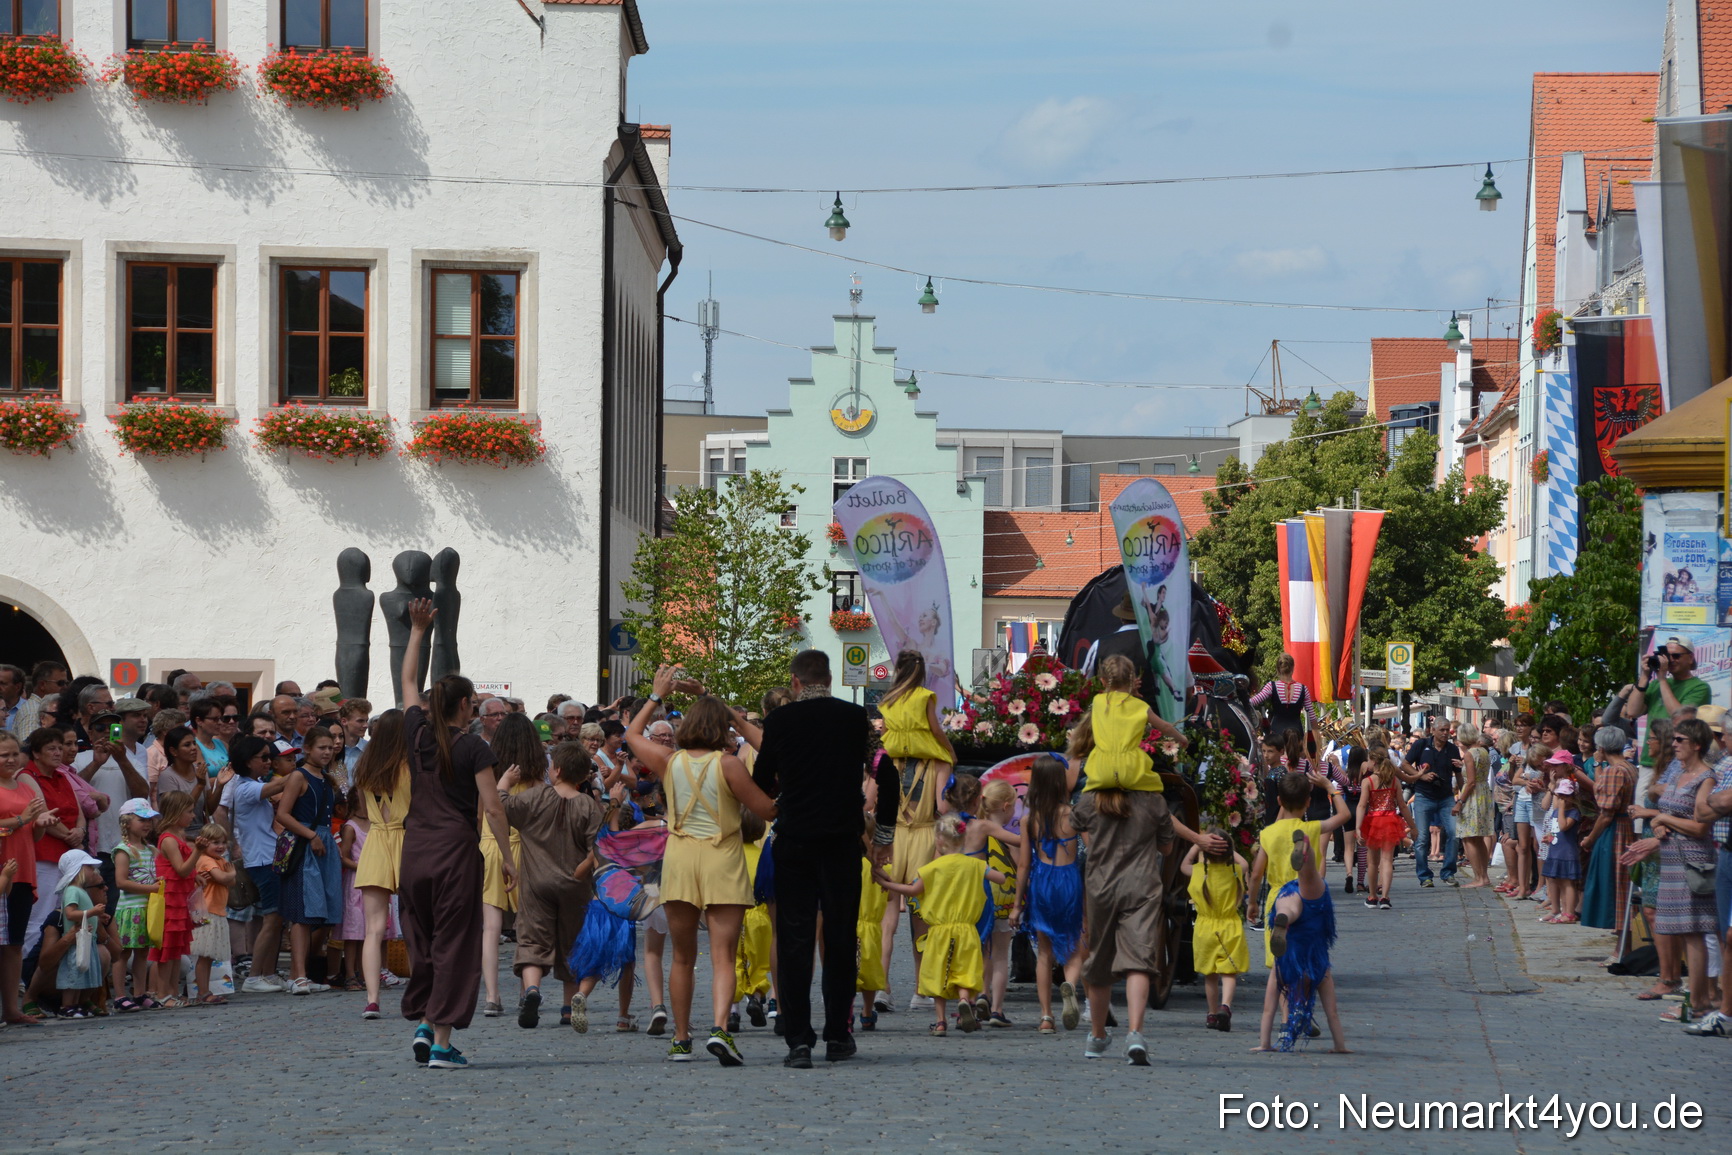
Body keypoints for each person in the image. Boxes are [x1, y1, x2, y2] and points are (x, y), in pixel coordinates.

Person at [1067, 654, 1222, 1064]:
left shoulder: (1090, 795)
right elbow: (1168, 848)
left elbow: (1070, 824)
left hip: (1100, 885)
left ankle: (1097, 1036)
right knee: (1139, 960)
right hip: (1142, 884)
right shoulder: (1153, 801)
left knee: (1098, 963)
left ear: (1102, 681)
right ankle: (1135, 1032)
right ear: (1134, 681)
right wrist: (1184, 740)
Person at [751, 649, 897, 1070]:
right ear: (830, 680)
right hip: (840, 841)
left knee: (794, 940)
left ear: (795, 682)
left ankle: (798, 1040)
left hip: (795, 840)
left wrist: (783, 795)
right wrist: (883, 836)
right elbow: (885, 771)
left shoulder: (779, 721)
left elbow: (762, 778)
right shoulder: (855, 719)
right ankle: (838, 1033)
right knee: (839, 938)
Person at [624, 667, 777, 1066]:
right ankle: (721, 1029)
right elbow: (766, 808)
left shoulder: (668, 760)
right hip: (721, 857)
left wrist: (657, 696)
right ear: (723, 729)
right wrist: (724, 706)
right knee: (724, 954)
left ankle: (680, 1038)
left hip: (680, 857)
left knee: (682, 956)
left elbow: (631, 736)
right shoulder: (728, 765)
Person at [398, 598, 516, 1070]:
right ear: (466, 705)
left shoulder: (417, 733)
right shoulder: (473, 748)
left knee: (423, 940)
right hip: (455, 853)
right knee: (455, 942)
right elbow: (493, 808)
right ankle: (441, 1040)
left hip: (414, 852)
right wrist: (507, 857)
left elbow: (407, 681)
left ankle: (426, 1021)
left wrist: (417, 630)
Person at [499, 742, 605, 1032]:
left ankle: (532, 990)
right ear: (584, 776)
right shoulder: (587, 805)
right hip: (576, 885)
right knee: (574, 943)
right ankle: (569, 1009)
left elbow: (500, 807)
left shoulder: (535, 797)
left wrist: (505, 782)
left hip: (537, 882)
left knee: (533, 938)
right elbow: (596, 849)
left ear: (555, 770)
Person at [1623, 717, 1720, 1022]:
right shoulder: (1679, 775)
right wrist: (1659, 822)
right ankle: (1695, 997)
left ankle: (1699, 1000)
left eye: (1680, 740)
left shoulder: (1706, 777)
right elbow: (1667, 813)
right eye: (1674, 739)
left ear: (1697, 744)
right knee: (1681, 931)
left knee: (1694, 934)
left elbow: (1700, 827)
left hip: (1693, 861)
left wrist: (1665, 821)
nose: (1674, 744)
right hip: (1672, 859)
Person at [875, 650, 956, 1001]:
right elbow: (941, 805)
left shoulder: (887, 704)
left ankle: (881, 987)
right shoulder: (926, 700)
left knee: (886, 915)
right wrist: (951, 754)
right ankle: (922, 990)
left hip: (892, 833)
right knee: (921, 914)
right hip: (923, 833)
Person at [872, 813, 1000, 1037]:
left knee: (938, 974)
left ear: (938, 841)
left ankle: (940, 1022)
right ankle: (963, 1000)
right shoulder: (975, 865)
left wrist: (886, 882)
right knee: (965, 970)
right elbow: (1000, 878)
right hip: (967, 928)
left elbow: (912, 891)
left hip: (939, 931)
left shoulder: (931, 868)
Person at [1254, 826, 1349, 1054]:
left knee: (1292, 905)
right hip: (1315, 957)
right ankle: (1305, 853)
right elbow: (1332, 1013)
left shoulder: (1281, 969)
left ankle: (1284, 919)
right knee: (1309, 878)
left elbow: (1269, 1010)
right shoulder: (1322, 973)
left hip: (1287, 956)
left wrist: (1264, 1045)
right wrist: (1340, 1047)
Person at [1011, 754, 1084, 1035]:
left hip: (1041, 883)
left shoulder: (1029, 820)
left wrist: (1018, 905)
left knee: (1044, 952)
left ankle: (1045, 1017)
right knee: (1075, 946)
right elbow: (1092, 848)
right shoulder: (1074, 815)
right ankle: (1070, 985)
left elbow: (1023, 864)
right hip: (1069, 881)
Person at [215, 735, 290, 994]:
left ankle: (268, 972)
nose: (269, 762)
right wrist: (300, 770)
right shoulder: (244, 787)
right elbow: (279, 786)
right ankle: (254, 976)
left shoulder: (253, 783)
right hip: (262, 859)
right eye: (265, 758)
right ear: (248, 761)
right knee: (270, 919)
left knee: (276, 919)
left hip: (269, 857)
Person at [480, 713, 541, 1017]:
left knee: (490, 926)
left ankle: (492, 996)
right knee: (525, 926)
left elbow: (483, 813)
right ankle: (525, 989)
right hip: (526, 849)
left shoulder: (487, 769)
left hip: (490, 846)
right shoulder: (535, 774)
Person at [351, 710, 411, 1019]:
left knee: (373, 929)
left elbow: (363, 809)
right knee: (416, 923)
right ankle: (422, 991)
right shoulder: (410, 767)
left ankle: (372, 999)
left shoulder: (364, 767)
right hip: (406, 841)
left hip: (376, 841)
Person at [276, 724, 344, 995]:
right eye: (322, 748)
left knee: (322, 913)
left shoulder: (327, 779)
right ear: (307, 749)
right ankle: (299, 975)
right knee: (302, 914)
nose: (327, 752)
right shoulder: (298, 776)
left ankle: (299, 973)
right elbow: (283, 814)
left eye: (330, 748)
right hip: (305, 847)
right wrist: (311, 835)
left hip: (325, 845)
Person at [0, 731, 48, 1025]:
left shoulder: (25, 788)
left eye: (14, 753)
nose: (10, 759)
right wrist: (21, 820)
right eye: (3, 754)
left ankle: (11, 1008)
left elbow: (33, 833)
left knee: (15, 942)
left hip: (22, 870)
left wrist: (41, 822)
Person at [1180, 829, 1249, 1032]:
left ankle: (1211, 1014)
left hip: (1205, 928)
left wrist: (1197, 844)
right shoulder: (1235, 870)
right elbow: (1245, 863)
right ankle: (1225, 1006)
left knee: (1210, 975)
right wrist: (1229, 848)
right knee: (1229, 973)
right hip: (1230, 926)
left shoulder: (1198, 871)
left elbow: (1183, 865)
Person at [1579, 727, 1637, 944]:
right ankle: (1623, 945)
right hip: (1624, 826)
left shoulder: (1616, 771)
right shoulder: (1628, 767)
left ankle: (1622, 947)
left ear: (1601, 748)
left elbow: (1606, 813)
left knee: (1615, 886)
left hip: (1615, 831)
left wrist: (1590, 838)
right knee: (1620, 885)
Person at [147, 789, 198, 1008]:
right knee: (166, 948)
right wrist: (199, 852)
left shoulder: (180, 836)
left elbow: (186, 872)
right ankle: (162, 993)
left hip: (181, 898)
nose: (193, 816)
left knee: (177, 947)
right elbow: (181, 869)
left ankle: (173, 991)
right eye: (189, 811)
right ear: (176, 813)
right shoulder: (168, 840)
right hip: (170, 899)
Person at [110, 798, 159, 1012]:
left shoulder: (151, 849)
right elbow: (121, 882)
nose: (147, 824)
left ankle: (140, 993)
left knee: (142, 953)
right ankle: (120, 995)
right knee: (124, 953)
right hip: (129, 909)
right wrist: (152, 889)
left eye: (149, 819)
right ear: (127, 822)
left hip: (148, 908)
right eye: (141, 819)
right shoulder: (123, 850)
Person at [1401, 718, 1461, 888]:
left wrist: (1462, 798)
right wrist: (1421, 775)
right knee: (1422, 838)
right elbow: (1405, 764)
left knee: (1453, 834)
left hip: (1446, 797)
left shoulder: (1452, 749)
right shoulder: (1421, 745)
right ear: (1432, 730)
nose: (1445, 733)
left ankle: (1448, 872)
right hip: (1424, 796)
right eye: (1442, 729)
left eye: (1447, 730)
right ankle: (1424, 876)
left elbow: (1458, 774)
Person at [1354, 746, 1412, 910]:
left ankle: (1372, 896)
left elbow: (1361, 805)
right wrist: (1412, 826)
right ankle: (1385, 897)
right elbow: (1403, 805)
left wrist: (1358, 827)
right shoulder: (1394, 781)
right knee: (1387, 860)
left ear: (1373, 761)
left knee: (1372, 862)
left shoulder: (1368, 781)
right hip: (1390, 820)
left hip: (1373, 821)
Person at [1619, 638, 1712, 731]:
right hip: (1651, 744)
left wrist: (1662, 679)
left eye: (1676, 656)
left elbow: (1679, 718)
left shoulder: (1700, 687)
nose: (1670, 660)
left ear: (1690, 658)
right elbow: (1632, 712)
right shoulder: (1656, 684)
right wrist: (1645, 676)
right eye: (1667, 656)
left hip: (1676, 744)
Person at [190, 822, 234, 1005]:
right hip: (207, 912)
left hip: (217, 911)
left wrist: (229, 875)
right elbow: (224, 878)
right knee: (204, 955)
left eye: (223, 842)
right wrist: (233, 871)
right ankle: (202, 991)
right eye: (215, 842)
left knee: (208, 956)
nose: (221, 846)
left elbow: (229, 882)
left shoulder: (220, 861)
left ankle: (205, 990)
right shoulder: (206, 860)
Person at [1537, 758, 1583, 925]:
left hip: (1567, 853)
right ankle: (1563, 910)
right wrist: (1548, 837)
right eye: (1560, 795)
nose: (1562, 799)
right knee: (1559, 882)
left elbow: (1564, 827)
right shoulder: (1557, 811)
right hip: (1556, 850)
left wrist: (1562, 808)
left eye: (1565, 796)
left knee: (1568, 883)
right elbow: (1556, 829)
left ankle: (1570, 912)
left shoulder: (1572, 813)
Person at [1453, 723, 1496, 888]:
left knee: (1469, 837)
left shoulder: (1470, 753)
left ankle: (1478, 877)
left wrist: (1460, 801)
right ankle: (1484, 876)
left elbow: (1470, 782)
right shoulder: (1484, 751)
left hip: (1472, 796)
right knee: (1479, 837)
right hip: (1483, 793)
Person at [1249, 654, 1320, 740]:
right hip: (1296, 733)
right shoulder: (1303, 689)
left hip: (1276, 732)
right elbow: (1311, 716)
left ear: (1278, 669)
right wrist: (1316, 737)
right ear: (1293, 668)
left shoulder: (1271, 686)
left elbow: (1253, 702)